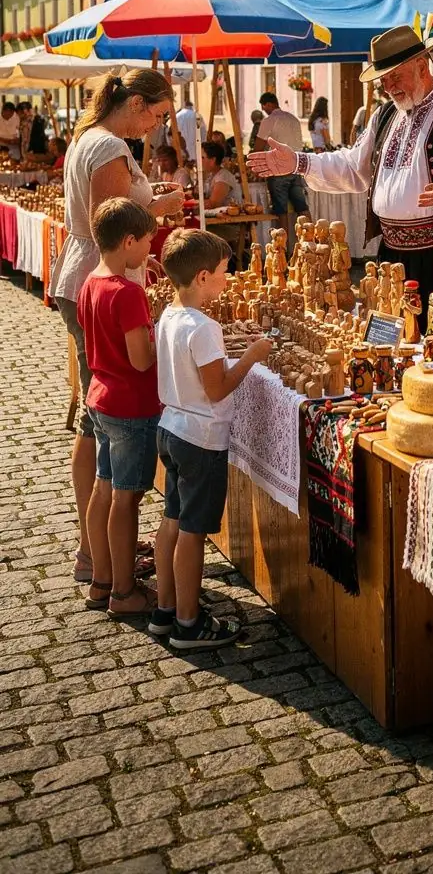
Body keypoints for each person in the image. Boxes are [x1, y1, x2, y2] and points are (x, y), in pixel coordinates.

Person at [248, 24, 433, 332]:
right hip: (392, 254)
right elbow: (352, 167)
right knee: (395, 343)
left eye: (394, 76)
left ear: (421, 64)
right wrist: (298, 161)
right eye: (383, 80)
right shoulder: (385, 115)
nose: (388, 86)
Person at [51, 69, 184, 585]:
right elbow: (110, 218)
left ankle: (101, 547)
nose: (152, 128)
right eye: (152, 116)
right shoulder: (106, 146)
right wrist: (160, 207)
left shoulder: (93, 138)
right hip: (96, 281)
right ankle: (98, 555)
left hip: (86, 278)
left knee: (94, 415)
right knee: (99, 420)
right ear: (131, 103)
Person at [152, 229, 272, 649]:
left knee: (171, 519)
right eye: (223, 272)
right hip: (199, 437)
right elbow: (217, 388)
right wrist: (253, 358)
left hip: (171, 426)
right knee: (192, 530)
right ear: (202, 277)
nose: (227, 278)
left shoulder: (168, 315)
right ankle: (188, 622)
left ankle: (166, 609)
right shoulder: (203, 327)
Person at [79, 198, 159, 618]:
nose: (150, 247)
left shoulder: (91, 280)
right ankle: (125, 592)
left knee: (104, 489)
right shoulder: (128, 293)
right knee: (126, 500)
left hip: (101, 398)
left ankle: (101, 579)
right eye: (147, 240)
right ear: (129, 241)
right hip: (130, 404)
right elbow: (141, 359)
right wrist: (162, 338)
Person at [254, 91, 309, 231]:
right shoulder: (293, 119)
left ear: (270, 104)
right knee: (302, 207)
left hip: (278, 169)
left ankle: (282, 248)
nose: (263, 109)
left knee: (281, 210)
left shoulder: (269, 120)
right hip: (296, 166)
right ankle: (313, 241)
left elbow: (258, 147)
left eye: (264, 106)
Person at [200, 141, 241, 209]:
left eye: (202, 157)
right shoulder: (211, 175)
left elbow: (213, 204)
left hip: (230, 219)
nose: (199, 161)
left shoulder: (223, 177)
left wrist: (192, 203)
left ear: (213, 160)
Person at [176, 96, 204, 161]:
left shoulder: (177, 116)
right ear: (191, 106)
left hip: (182, 149)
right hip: (195, 147)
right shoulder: (197, 115)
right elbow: (203, 132)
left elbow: (173, 133)